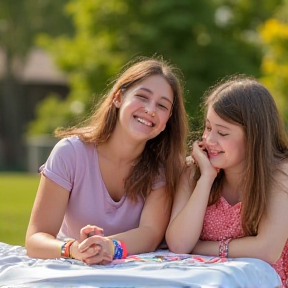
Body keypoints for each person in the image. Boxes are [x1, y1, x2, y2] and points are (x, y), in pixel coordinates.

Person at [25, 56, 188, 265]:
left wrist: (108, 246)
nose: (150, 110)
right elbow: (35, 238)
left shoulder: (164, 168)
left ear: (166, 122)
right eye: (142, 97)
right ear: (118, 98)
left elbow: (150, 234)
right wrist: (74, 249)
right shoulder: (70, 153)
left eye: (162, 106)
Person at [166, 75, 288, 286]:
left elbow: (267, 250)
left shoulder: (281, 175)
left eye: (222, 132)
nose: (209, 140)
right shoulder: (194, 171)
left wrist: (200, 248)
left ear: (253, 138)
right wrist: (206, 178)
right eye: (208, 128)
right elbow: (178, 244)